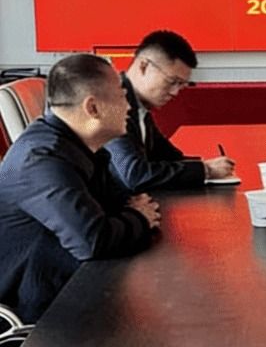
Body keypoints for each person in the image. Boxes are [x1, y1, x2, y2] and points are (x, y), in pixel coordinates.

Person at [0, 54, 160, 323]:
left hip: (69, 284)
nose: (129, 107)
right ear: (93, 108)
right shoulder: (42, 159)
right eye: (122, 96)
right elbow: (92, 241)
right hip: (36, 316)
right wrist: (140, 219)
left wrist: (130, 213)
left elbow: (118, 203)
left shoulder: (80, 146)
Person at [104, 30, 235, 192]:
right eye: (172, 82)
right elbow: (134, 174)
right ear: (144, 66)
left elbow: (169, 157)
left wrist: (207, 166)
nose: (175, 92)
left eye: (182, 85)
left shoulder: (140, 106)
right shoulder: (112, 104)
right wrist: (206, 170)